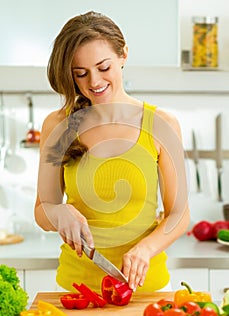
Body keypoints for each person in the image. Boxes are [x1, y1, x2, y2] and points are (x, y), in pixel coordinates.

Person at [34, 11, 190, 294]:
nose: (94, 82)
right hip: (77, 288)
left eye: (103, 67)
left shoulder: (162, 125)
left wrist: (145, 250)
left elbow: (179, 214)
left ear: (123, 55)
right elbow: (41, 211)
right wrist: (58, 212)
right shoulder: (58, 125)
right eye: (80, 73)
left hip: (145, 288)